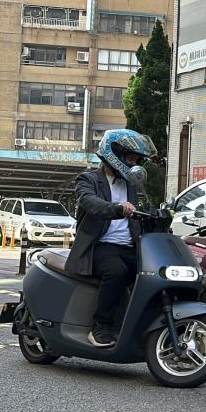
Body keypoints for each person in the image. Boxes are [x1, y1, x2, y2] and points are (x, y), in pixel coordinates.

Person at [65, 129, 157, 348]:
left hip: (131, 246)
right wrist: (116, 208)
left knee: (157, 273)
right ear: (114, 153)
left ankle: (142, 325)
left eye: (137, 159)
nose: (134, 163)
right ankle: (100, 327)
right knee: (116, 272)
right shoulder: (88, 179)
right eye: (130, 158)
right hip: (101, 245)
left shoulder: (131, 184)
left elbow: (143, 210)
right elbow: (89, 202)